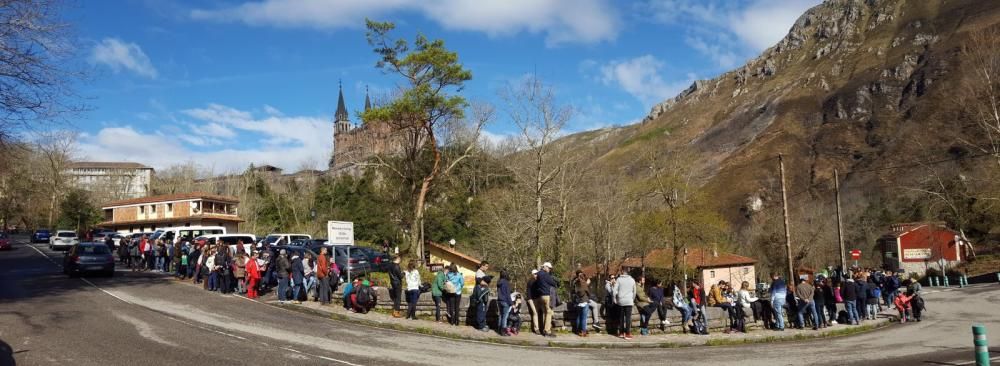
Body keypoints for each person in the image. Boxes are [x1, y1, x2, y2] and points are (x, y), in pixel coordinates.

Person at [533, 262, 558, 338]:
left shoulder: (538, 274)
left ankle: (544, 329)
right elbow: (553, 283)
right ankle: (547, 331)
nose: (550, 270)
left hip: (541, 296)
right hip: (547, 295)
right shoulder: (546, 275)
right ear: (545, 267)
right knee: (549, 312)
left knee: (545, 313)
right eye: (549, 268)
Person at [613, 269, 637, 340]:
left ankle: (621, 333)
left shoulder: (619, 279)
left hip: (621, 301)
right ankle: (627, 334)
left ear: (622, 272)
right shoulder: (632, 280)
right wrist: (632, 299)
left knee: (621, 317)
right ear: (628, 273)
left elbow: (614, 291)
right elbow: (634, 291)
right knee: (628, 318)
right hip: (629, 300)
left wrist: (615, 299)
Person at [572, 271, 591, 337]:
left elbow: (574, 292)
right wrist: (587, 284)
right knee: (583, 318)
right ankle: (583, 331)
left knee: (578, 317)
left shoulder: (574, 283)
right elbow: (587, 292)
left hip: (577, 302)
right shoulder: (583, 283)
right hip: (584, 301)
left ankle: (578, 330)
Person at [526, 269, 539, 334]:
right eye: (535, 274)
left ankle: (538, 328)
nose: (536, 275)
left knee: (537, 312)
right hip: (531, 299)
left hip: (535, 298)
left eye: (537, 274)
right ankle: (536, 328)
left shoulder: (536, 281)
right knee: (535, 313)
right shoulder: (531, 281)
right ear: (532, 274)